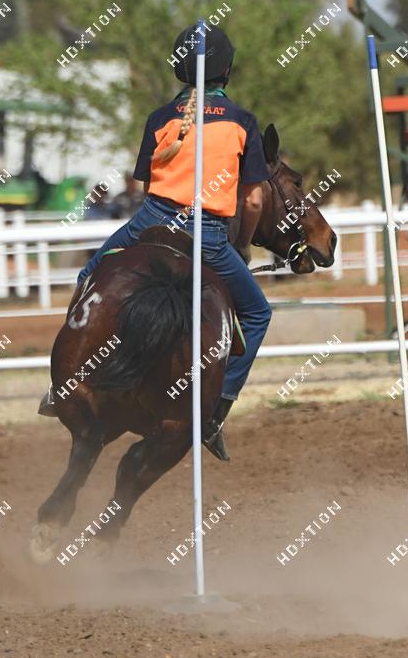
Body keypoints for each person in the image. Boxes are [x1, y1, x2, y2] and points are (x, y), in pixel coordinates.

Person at [39, 24, 272, 456]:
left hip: (152, 219)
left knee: (90, 275)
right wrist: (243, 240)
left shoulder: (159, 118)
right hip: (208, 234)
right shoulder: (242, 122)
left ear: (179, 69)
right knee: (258, 313)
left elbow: (149, 187)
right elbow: (255, 199)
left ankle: (62, 387)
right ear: (226, 70)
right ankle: (216, 409)